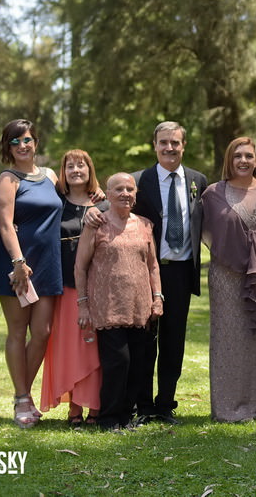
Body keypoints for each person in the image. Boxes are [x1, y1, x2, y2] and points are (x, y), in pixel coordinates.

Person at [132, 121, 207, 424]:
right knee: (145, 340)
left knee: (174, 341)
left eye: (175, 143)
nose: (169, 148)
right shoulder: (139, 181)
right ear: (155, 145)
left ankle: (165, 404)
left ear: (183, 146)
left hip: (180, 272)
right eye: (163, 142)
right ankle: (143, 405)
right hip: (147, 272)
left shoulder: (197, 181)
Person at [200, 137, 256, 421]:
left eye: (248, 155)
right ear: (229, 160)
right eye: (238, 156)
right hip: (226, 272)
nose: (243, 161)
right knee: (228, 336)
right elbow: (202, 229)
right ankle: (228, 406)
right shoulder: (213, 193)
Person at [76, 172, 164, 431]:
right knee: (118, 363)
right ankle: (108, 418)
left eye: (130, 189)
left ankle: (125, 417)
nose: (125, 193)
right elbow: (80, 267)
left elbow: (153, 266)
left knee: (138, 364)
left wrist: (157, 298)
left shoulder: (146, 225)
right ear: (108, 193)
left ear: (136, 194)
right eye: (119, 189)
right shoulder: (96, 224)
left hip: (140, 307)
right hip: (108, 306)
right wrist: (83, 304)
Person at [0, 119, 63, 429]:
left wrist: (96, 190)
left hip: (48, 264)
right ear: (8, 148)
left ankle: (24, 395)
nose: (23, 145)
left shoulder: (49, 176)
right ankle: (23, 398)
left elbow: (72, 198)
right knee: (18, 331)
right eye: (15, 141)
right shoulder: (9, 179)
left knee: (44, 332)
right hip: (18, 267)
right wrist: (18, 262)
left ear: (36, 142)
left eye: (27, 140)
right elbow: (6, 224)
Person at [40, 149, 104, 426]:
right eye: (70, 166)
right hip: (64, 285)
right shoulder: (56, 204)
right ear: (63, 172)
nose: (76, 170)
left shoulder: (103, 205)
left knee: (94, 348)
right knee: (70, 347)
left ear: (90, 170)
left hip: (98, 286)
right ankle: (74, 408)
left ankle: (96, 407)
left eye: (82, 165)